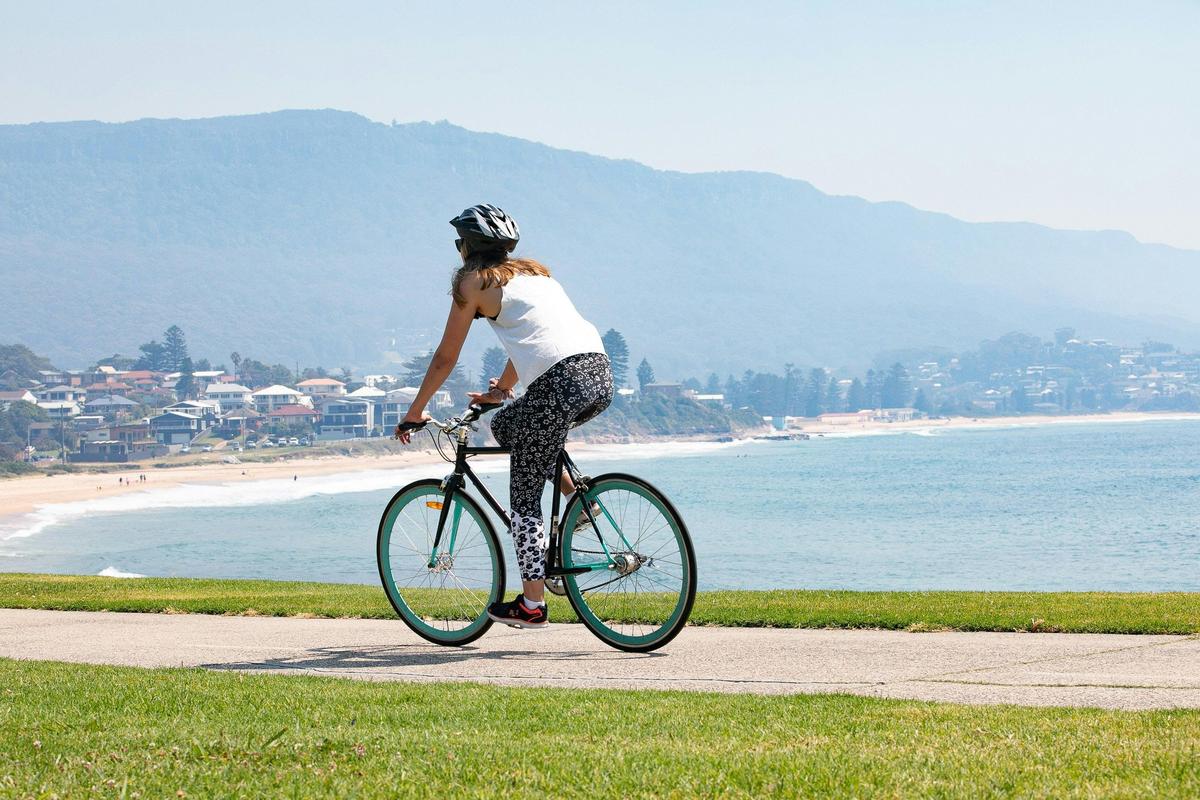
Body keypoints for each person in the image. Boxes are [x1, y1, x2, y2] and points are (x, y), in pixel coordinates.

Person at [395, 204, 613, 629]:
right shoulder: (537, 274)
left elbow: (445, 357)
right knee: (508, 425)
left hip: (558, 384)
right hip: (598, 375)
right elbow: (537, 340)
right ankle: (579, 499)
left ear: (466, 247)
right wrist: (501, 391)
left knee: (524, 499)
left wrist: (415, 411)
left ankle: (532, 605)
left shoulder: (472, 281)